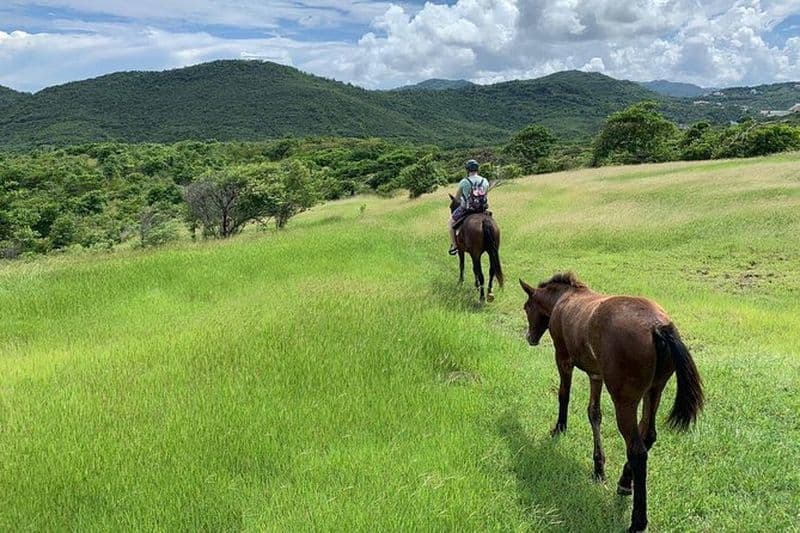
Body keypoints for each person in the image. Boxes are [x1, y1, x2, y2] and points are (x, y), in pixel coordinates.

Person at [449, 159, 489, 255]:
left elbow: (457, 199)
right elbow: (485, 195)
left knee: (450, 223)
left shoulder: (464, 182)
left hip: (467, 209)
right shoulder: (485, 181)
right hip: (481, 209)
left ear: (467, 170)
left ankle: (454, 246)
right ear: (477, 169)